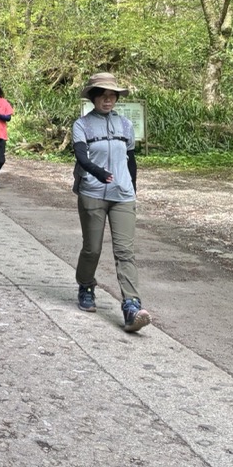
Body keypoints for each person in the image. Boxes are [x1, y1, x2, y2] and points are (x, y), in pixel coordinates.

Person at [72, 71, 150, 332]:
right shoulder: (82, 125)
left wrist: (133, 188)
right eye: (103, 95)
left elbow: (131, 160)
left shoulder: (125, 125)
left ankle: (131, 306)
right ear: (93, 97)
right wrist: (98, 173)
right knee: (92, 249)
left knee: (125, 251)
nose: (108, 100)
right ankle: (85, 285)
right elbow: (82, 158)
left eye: (112, 96)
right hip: (92, 192)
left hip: (123, 196)